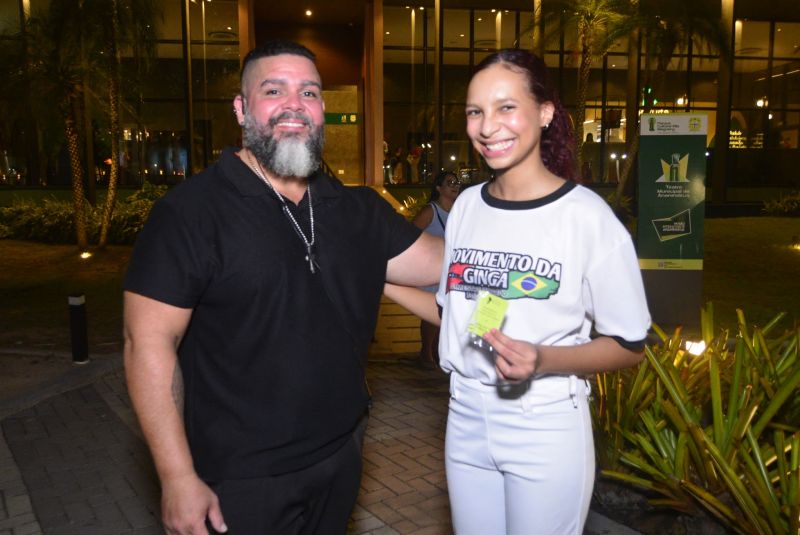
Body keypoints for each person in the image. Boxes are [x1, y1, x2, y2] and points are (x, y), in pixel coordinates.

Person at [123, 40, 442, 535]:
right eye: (275, 90)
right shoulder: (190, 214)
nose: (295, 104)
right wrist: (177, 475)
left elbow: (448, 268)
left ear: (321, 110)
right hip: (239, 479)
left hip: (341, 455)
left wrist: (524, 213)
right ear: (241, 107)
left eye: (310, 92)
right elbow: (147, 343)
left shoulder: (358, 211)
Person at [385, 49, 650, 534]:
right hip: (464, 417)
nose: (488, 126)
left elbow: (629, 346)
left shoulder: (586, 218)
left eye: (506, 107)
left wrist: (542, 358)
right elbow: (462, 319)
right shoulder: (467, 207)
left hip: (543, 423)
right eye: (475, 111)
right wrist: (381, 282)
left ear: (545, 113)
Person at [410, 170, 459, 369]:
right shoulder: (430, 211)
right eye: (450, 182)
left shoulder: (459, 210)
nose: (455, 185)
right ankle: (426, 352)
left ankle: (438, 351)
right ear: (439, 188)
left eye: (456, 182)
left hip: (452, 269)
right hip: (433, 270)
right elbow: (411, 233)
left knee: (448, 312)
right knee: (433, 311)